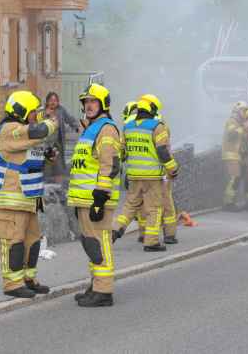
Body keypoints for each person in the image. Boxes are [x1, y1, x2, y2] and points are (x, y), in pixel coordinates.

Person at [0, 90, 58, 298]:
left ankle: (29, 279)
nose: (35, 116)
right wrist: (52, 122)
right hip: (12, 197)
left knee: (33, 239)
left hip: (31, 197)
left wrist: (47, 155)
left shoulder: (20, 132)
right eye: (33, 112)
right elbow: (38, 131)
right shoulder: (10, 129)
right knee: (13, 240)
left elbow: (29, 155)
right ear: (21, 111)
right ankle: (12, 284)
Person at [68, 83, 121, 307]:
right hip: (85, 199)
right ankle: (96, 284)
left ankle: (104, 291)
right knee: (91, 243)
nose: (88, 106)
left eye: (93, 102)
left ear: (103, 105)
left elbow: (109, 165)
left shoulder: (106, 128)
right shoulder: (91, 128)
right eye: (86, 102)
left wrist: (100, 197)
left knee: (100, 244)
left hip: (96, 198)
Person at [115, 94, 179, 252]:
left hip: (134, 175)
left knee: (129, 206)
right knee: (155, 209)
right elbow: (163, 151)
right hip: (152, 177)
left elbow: (121, 152)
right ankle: (151, 242)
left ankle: (114, 231)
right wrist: (173, 168)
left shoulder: (128, 127)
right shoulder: (157, 126)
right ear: (152, 108)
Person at [38, 92, 80, 183]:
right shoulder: (41, 111)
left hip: (58, 143)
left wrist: (76, 127)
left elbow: (69, 119)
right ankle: (45, 186)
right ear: (47, 101)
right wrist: (46, 114)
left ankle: (59, 187)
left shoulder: (61, 110)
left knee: (59, 167)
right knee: (47, 167)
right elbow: (38, 123)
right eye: (51, 100)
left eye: (55, 100)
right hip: (45, 145)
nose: (53, 102)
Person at [222, 101, 248, 211]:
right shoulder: (232, 122)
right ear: (238, 111)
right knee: (234, 178)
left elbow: (244, 140)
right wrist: (245, 127)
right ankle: (228, 203)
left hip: (240, 155)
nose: (245, 113)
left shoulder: (240, 123)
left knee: (247, 177)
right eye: (243, 111)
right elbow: (232, 134)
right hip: (231, 155)